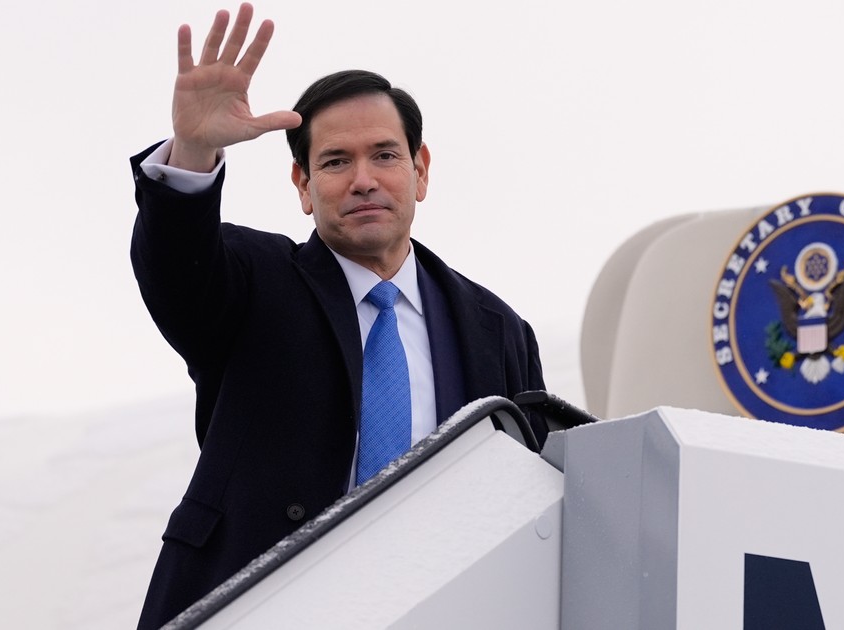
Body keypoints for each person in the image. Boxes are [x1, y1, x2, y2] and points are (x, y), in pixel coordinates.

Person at [129, 4, 546, 628]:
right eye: (334, 162)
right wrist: (192, 150)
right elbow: (177, 265)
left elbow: (530, 496)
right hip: (256, 607)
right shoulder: (254, 280)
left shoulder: (497, 330)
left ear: (420, 170)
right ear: (301, 185)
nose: (363, 180)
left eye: (384, 155)